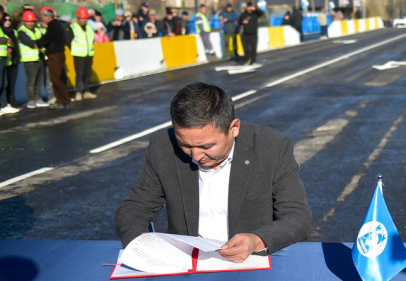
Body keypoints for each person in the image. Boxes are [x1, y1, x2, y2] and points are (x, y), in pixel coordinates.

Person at [115, 82, 313, 262]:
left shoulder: (271, 146)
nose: (195, 156)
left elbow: (298, 217)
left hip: (249, 262)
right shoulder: (163, 146)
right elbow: (134, 209)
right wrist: (140, 242)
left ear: (234, 128)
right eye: (185, 145)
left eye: (206, 146)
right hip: (185, 263)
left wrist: (257, 240)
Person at [37, 7, 72, 109]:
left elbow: (47, 39)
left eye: (43, 16)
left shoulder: (53, 26)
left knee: (56, 79)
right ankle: (62, 100)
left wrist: (38, 43)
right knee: (56, 78)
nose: (42, 19)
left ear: (48, 17)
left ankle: (64, 100)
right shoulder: (57, 25)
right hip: (58, 53)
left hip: (55, 55)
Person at [17, 10, 48, 108]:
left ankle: (38, 99)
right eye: (28, 21)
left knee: (39, 81)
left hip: (39, 59)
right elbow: (31, 43)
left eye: (32, 21)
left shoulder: (38, 29)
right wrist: (39, 45)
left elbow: (44, 39)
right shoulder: (22, 32)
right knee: (31, 82)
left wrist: (41, 45)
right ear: (24, 22)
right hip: (30, 60)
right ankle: (30, 100)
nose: (31, 24)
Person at [66, 7, 97, 101]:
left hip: (89, 54)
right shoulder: (73, 28)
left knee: (88, 73)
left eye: (85, 18)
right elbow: (67, 40)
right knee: (80, 74)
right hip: (79, 55)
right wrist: (74, 49)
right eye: (82, 18)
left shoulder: (89, 28)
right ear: (78, 18)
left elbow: (92, 39)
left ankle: (87, 91)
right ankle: (79, 92)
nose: (84, 20)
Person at [0, 10, 19, 114]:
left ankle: (3, 105)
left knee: (4, 83)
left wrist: (10, 46)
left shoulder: (6, 29)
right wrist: (5, 40)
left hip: (3, 58)